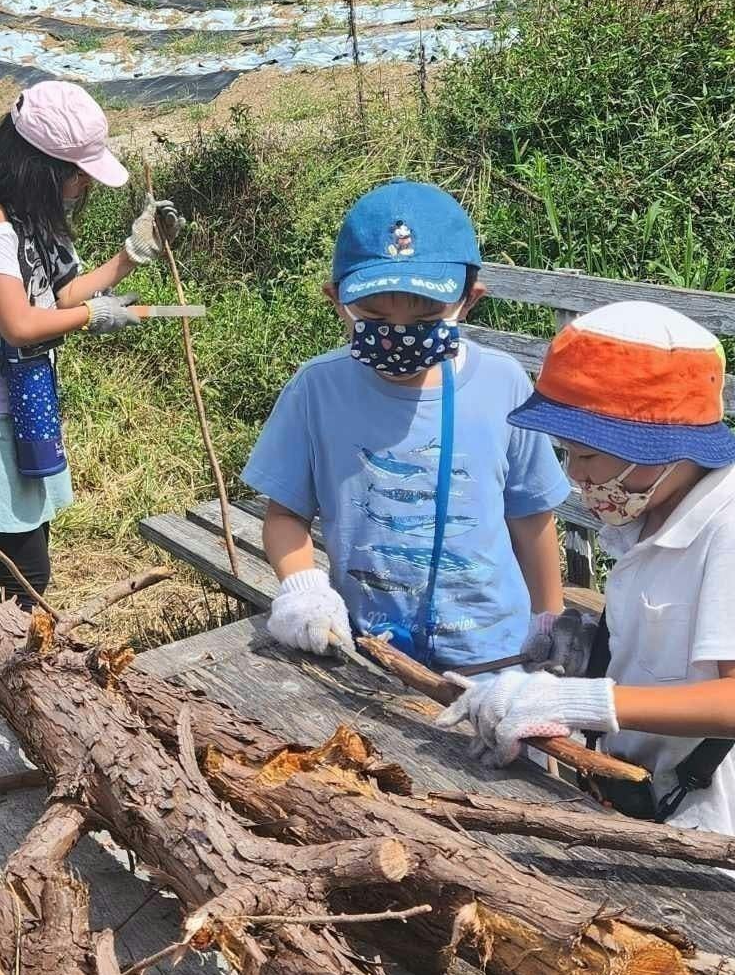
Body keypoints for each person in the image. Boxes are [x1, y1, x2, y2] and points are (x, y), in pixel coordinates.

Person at [435, 301, 735, 898]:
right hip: (636, 799)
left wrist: (576, 700)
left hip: (720, 839)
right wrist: (581, 656)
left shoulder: (734, 532)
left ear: (657, 445)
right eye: (568, 453)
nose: (576, 474)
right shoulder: (645, 521)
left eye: (585, 454)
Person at [241, 180, 568, 674]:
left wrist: (549, 618)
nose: (397, 337)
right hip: (370, 649)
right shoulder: (316, 391)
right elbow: (285, 514)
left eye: (426, 318)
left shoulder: (504, 383)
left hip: (498, 651)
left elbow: (531, 514)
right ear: (337, 301)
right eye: (373, 316)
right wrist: (304, 589)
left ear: (468, 301)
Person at [0, 80, 177, 602]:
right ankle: (11, 669)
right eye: (77, 173)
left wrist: (133, 253)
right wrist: (93, 315)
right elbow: (19, 324)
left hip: (23, 400)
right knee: (27, 578)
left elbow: (58, 296)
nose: (83, 184)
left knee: (29, 555)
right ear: (39, 166)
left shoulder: (27, 219)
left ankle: (12, 664)